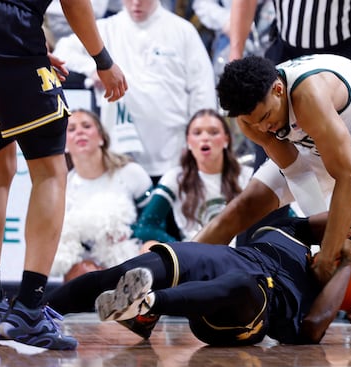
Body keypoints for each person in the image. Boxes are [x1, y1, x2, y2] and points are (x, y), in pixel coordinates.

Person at [0, 0, 128, 350]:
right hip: (6, 22)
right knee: (50, 169)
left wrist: (28, 47)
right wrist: (103, 60)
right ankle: (29, 309)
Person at [195, 54, 351, 346]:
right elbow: (298, 174)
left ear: (278, 89)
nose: (263, 129)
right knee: (241, 207)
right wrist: (325, 250)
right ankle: (174, 277)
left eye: (265, 118)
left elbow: (349, 179)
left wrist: (328, 256)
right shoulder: (251, 118)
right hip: (314, 146)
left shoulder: (310, 94)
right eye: (252, 123)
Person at [45, 213, 351, 346]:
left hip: (243, 311)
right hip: (218, 260)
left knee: (248, 283)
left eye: (343, 263)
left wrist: (350, 259)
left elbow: (315, 325)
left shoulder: (309, 306)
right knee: (119, 276)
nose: (339, 251)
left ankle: (149, 303)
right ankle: (35, 311)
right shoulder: (288, 232)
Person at [53, 0, 217, 182]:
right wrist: (94, 68)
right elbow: (63, 51)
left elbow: (202, 88)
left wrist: (199, 137)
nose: (136, 3)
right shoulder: (105, 29)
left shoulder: (183, 31)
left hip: (174, 151)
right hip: (120, 155)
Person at [227, 0, 351, 104]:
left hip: (343, 57)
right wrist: (235, 54)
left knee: (345, 149)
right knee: (271, 142)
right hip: (285, 54)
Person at [51, 109, 153, 282]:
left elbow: (153, 219)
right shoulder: (64, 186)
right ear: (65, 144)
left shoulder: (131, 173)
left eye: (86, 126)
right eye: (72, 129)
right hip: (87, 267)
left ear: (101, 137)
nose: (80, 132)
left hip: (129, 259)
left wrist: (133, 236)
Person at [133, 109, 253, 245]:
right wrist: (180, 249)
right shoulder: (175, 178)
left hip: (239, 258)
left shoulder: (248, 176)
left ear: (226, 139)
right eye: (197, 133)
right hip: (194, 261)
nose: (205, 138)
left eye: (214, 132)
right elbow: (145, 227)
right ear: (188, 142)